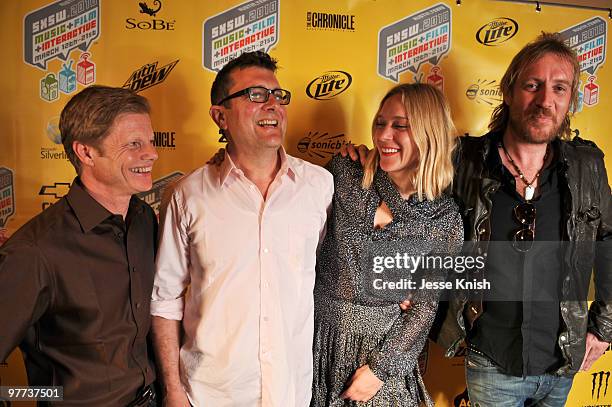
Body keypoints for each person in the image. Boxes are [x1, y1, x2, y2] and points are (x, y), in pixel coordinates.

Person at [345, 32, 612, 406]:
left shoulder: (587, 166)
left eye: (559, 88)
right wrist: (362, 161)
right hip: (490, 359)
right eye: (532, 85)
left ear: (571, 99)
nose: (545, 100)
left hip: (562, 361)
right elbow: (414, 204)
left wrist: (603, 328)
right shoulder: (464, 160)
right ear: (508, 90)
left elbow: (608, 244)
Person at [150, 51, 333, 406]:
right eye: (256, 95)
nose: (273, 105)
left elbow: (340, 268)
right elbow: (165, 298)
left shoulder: (320, 187)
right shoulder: (188, 195)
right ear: (220, 115)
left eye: (279, 96)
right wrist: (174, 390)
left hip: (289, 391)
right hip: (208, 394)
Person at [0, 85, 159, 405]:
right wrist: (53, 397)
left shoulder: (144, 220)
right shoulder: (35, 251)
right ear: (86, 153)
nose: (152, 153)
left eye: (151, 142)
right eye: (134, 144)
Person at [312, 83, 463, 406]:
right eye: (380, 123)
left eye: (400, 126)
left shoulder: (444, 220)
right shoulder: (344, 174)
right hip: (316, 345)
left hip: (380, 355)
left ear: (429, 133)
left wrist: (380, 370)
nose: (383, 136)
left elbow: (424, 307)